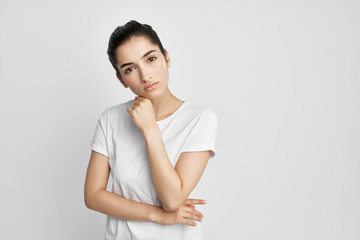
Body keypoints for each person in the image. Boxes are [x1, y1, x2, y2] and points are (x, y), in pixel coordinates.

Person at [84, 20, 218, 240]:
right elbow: (93, 196)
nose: (145, 75)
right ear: (121, 79)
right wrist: (159, 215)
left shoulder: (200, 119)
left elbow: (172, 199)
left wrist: (150, 129)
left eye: (151, 59)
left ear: (167, 57)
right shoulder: (111, 119)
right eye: (130, 69)